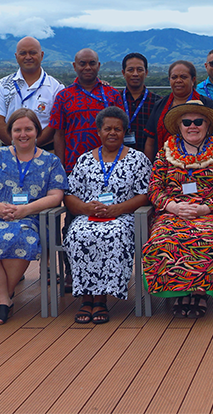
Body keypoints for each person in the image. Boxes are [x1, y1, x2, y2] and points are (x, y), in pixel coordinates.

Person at [0, 109, 66, 324]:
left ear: (37, 131)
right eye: (17, 130)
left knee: (21, 236)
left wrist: (26, 210)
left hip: (28, 218)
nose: (23, 134)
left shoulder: (51, 161)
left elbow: (56, 196)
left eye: (28, 129)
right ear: (10, 133)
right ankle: (4, 299)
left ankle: (2, 299)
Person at [143, 101, 213, 318]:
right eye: (187, 122)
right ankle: (179, 290)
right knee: (163, 239)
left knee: (204, 236)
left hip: (208, 213)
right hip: (173, 213)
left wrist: (205, 208)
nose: (192, 126)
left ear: (207, 125)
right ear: (179, 125)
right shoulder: (164, 154)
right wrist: (173, 207)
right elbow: (155, 188)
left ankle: (198, 293)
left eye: (198, 121)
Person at [64, 107, 151, 324]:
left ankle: (102, 299)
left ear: (124, 132)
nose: (112, 133)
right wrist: (85, 209)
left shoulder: (138, 159)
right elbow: (69, 195)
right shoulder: (84, 160)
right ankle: (86, 298)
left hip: (123, 217)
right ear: (99, 131)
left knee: (112, 233)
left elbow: (146, 195)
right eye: (107, 129)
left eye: (118, 129)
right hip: (88, 216)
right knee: (77, 233)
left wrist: (118, 209)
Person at [48, 48, 123, 173]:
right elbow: (59, 134)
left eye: (92, 63)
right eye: (82, 64)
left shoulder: (112, 94)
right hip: (73, 165)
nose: (87, 67)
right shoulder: (63, 96)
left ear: (98, 66)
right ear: (74, 66)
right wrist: (60, 167)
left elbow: (121, 131)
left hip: (109, 165)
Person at [0, 36, 64, 146]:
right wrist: (16, 145)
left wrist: (33, 145)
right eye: (23, 53)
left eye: (32, 53)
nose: (28, 57)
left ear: (41, 55)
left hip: (45, 150)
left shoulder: (56, 87)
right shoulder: (3, 84)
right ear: (16, 56)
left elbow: (55, 124)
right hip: (11, 150)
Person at [144, 60, 213, 159]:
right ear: (169, 80)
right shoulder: (160, 105)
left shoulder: (206, 105)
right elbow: (150, 142)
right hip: (164, 165)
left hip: (201, 166)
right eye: (174, 77)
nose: (178, 80)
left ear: (193, 80)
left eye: (183, 77)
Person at [119, 52, 161, 154]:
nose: (135, 74)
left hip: (149, 158)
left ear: (146, 72)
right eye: (130, 70)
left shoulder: (158, 102)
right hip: (118, 160)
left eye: (139, 70)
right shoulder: (115, 99)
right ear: (123, 73)